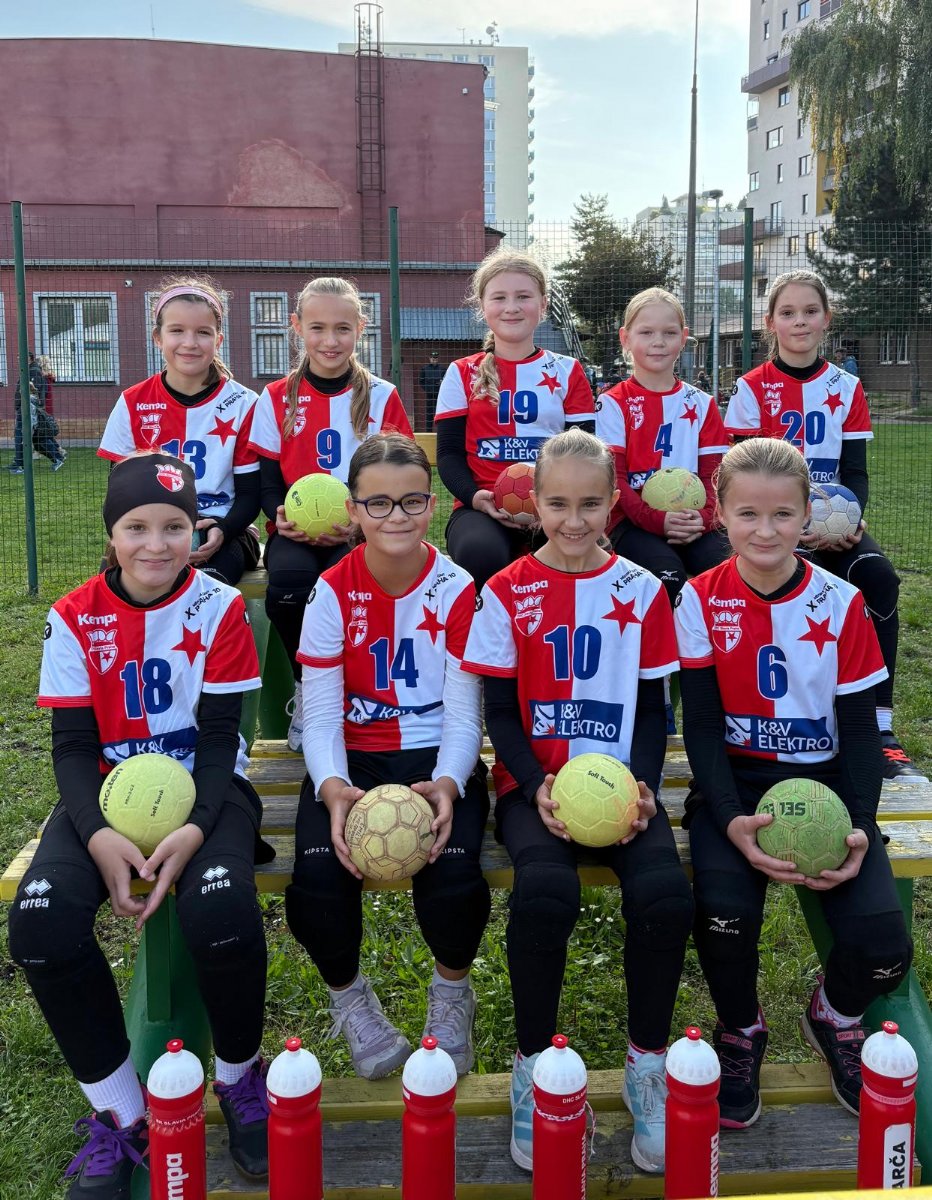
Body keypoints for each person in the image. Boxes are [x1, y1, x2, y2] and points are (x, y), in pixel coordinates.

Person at [7, 453, 273, 1198]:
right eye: (136, 527)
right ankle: (124, 1116)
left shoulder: (219, 608)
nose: (156, 544)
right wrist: (97, 835)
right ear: (112, 533)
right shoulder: (74, 616)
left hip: (207, 793)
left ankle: (238, 1078)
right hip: (103, 799)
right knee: (39, 927)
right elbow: (71, 748)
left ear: (196, 532)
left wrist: (195, 829)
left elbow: (220, 739)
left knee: (223, 910)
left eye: (174, 527)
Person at [462, 428, 694, 1174]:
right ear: (534, 502)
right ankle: (534, 1071)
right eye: (557, 503)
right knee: (545, 894)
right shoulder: (506, 590)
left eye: (590, 504)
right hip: (534, 786)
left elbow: (654, 712)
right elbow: (501, 713)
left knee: (665, 898)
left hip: (619, 784)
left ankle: (646, 1068)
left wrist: (643, 789)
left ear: (613, 502)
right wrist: (534, 786)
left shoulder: (642, 589)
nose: (573, 520)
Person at [674, 437, 914, 1129]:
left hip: (827, 784)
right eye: (748, 514)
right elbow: (703, 727)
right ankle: (741, 1029)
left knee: (884, 953)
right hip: (739, 782)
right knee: (724, 917)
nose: (766, 530)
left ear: (808, 515)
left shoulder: (841, 602)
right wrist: (729, 818)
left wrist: (859, 826)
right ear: (721, 515)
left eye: (783, 514)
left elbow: (862, 732)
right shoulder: (699, 598)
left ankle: (832, 1014)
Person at [285, 433, 490, 1080]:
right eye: (378, 503)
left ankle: (451, 994)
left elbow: (464, 715)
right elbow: (321, 717)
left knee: (455, 880)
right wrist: (332, 788)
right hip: (355, 758)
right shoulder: (330, 591)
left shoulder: (457, 588)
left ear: (431, 504)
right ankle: (350, 1000)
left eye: (411, 501)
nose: (396, 516)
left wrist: (449, 783)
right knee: (316, 882)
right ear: (352, 510)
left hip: (435, 755)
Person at [724, 270, 923, 780]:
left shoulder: (847, 386)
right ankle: (783, 716)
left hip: (832, 525)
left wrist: (849, 521)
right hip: (773, 526)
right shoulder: (751, 388)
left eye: (810, 311)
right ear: (770, 323)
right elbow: (740, 475)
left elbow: (855, 473)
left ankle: (880, 728)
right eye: (788, 313)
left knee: (878, 576)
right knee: (787, 595)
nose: (800, 321)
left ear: (826, 319)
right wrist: (784, 523)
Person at [248, 277, 413, 752]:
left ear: (360, 328)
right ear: (297, 327)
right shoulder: (276, 397)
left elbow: (399, 474)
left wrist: (363, 522)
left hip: (364, 530)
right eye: (317, 327)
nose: (330, 340)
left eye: (342, 328)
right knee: (287, 587)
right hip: (296, 532)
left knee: (358, 589)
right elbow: (266, 480)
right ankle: (309, 691)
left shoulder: (381, 395)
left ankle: (354, 692)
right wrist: (280, 517)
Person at [435, 248, 595, 593]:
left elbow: (585, 456)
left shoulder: (567, 370)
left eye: (523, 296)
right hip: (480, 507)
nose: (511, 307)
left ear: (543, 304)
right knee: (480, 552)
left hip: (555, 508)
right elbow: (448, 454)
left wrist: (556, 506)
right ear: (483, 306)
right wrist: (475, 497)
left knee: (572, 562)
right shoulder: (462, 372)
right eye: (499, 297)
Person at [99, 276, 261, 587]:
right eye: (177, 331)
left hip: (223, 529)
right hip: (152, 530)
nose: (190, 343)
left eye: (203, 332)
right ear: (157, 338)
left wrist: (224, 529)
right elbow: (120, 493)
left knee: (205, 589)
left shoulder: (244, 404)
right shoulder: (133, 402)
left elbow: (250, 495)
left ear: (218, 340)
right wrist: (146, 536)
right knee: (113, 587)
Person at [597, 287, 731, 608]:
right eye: (646, 332)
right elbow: (615, 480)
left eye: (669, 333)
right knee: (667, 579)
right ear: (626, 338)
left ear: (683, 338)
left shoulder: (702, 404)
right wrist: (658, 520)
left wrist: (703, 518)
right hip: (631, 522)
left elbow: (715, 476)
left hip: (693, 522)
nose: (658, 341)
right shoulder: (613, 403)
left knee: (729, 573)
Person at [9, 351, 51, 474]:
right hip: (24, 408)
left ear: (29, 358)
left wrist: (25, 406)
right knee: (22, 436)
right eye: (17, 358)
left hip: (28, 409)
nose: (18, 361)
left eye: (20, 358)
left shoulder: (33, 372)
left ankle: (20, 464)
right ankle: (18, 462)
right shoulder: (27, 371)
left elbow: (34, 392)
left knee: (22, 436)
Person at [418, 349, 445, 427]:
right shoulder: (425, 369)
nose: (434, 359)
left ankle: (439, 429)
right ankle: (428, 431)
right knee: (429, 414)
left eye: (435, 358)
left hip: (439, 395)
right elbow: (421, 381)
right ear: (429, 358)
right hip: (429, 395)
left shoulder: (442, 369)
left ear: (438, 359)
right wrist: (427, 389)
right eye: (432, 358)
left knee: (440, 413)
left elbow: (446, 380)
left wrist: (441, 383)